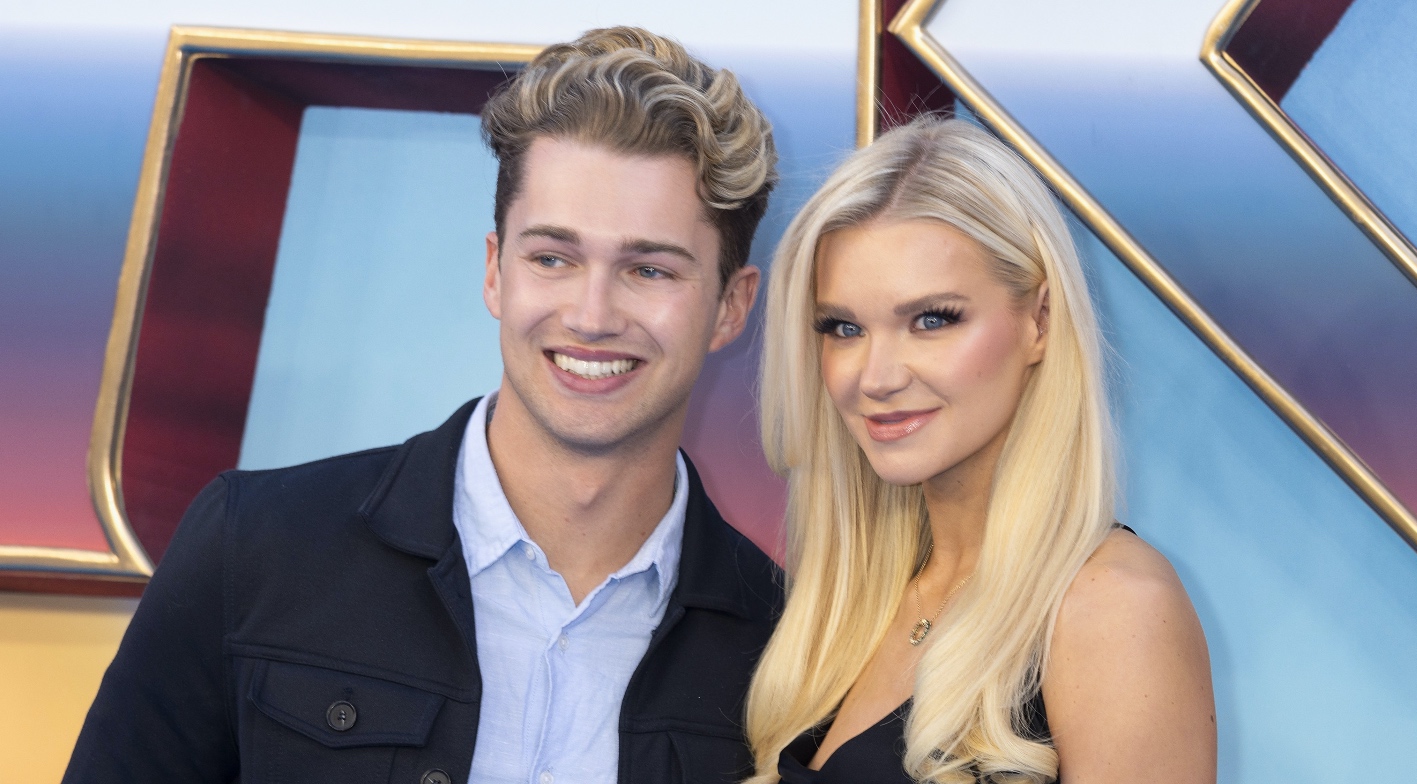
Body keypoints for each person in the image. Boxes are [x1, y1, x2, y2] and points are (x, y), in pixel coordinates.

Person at [65, 27, 781, 784]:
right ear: (495, 272)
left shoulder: (786, 648)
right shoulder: (254, 548)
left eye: (649, 269)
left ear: (732, 308)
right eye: (552, 258)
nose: (592, 314)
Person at [745, 119, 1215, 783]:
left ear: (1040, 322)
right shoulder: (852, 608)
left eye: (931, 319)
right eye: (844, 328)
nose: (875, 376)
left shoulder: (1112, 608)